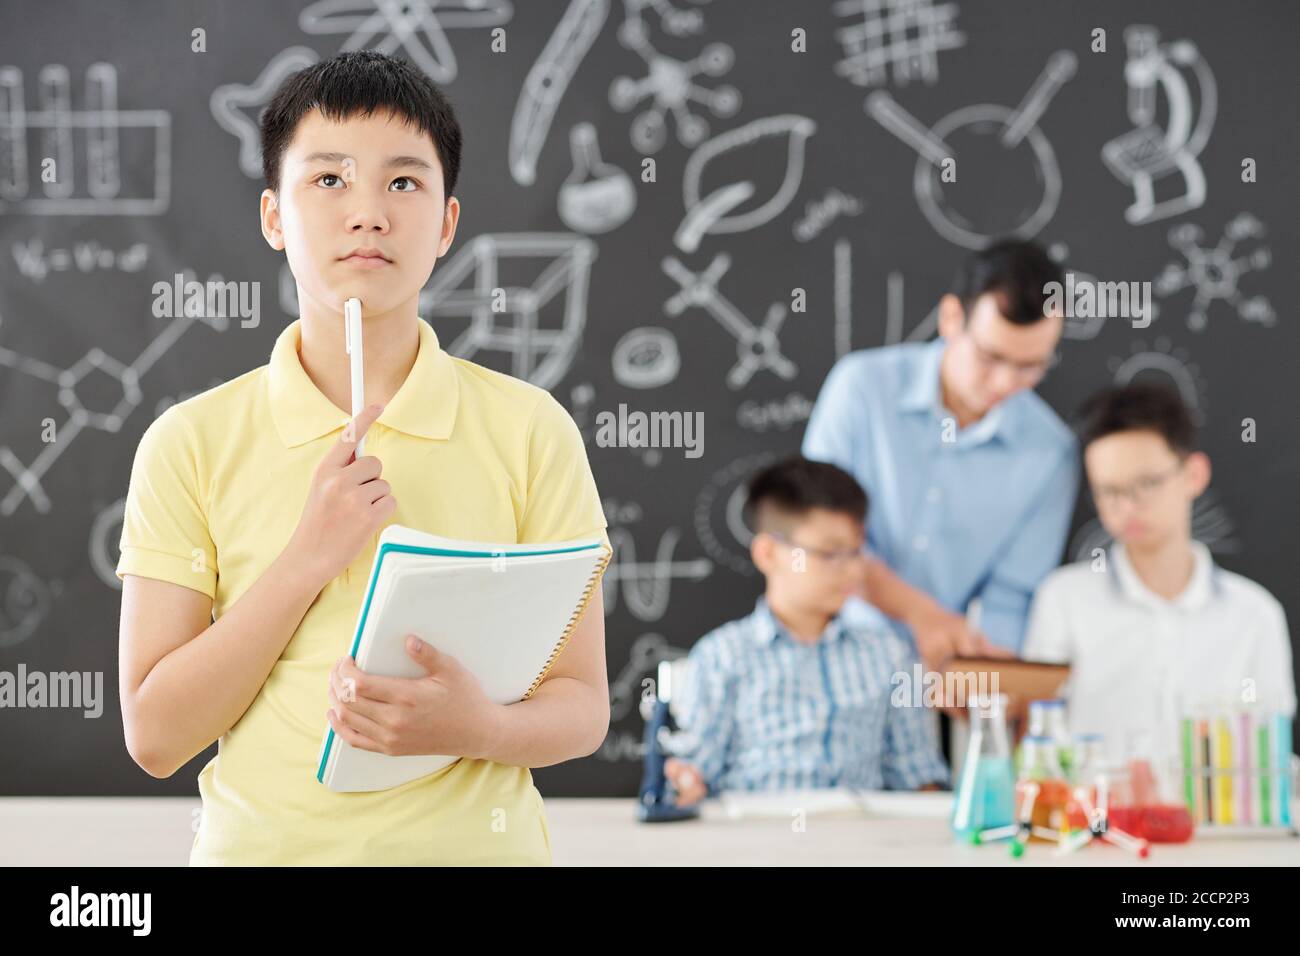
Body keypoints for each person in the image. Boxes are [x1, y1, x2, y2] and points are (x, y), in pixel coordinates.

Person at [116, 51, 610, 865]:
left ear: (447, 224)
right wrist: (307, 559)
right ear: (274, 217)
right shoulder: (190, 442)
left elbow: (584, 704)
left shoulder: (530, 430)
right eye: (330, 180)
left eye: (404, 183)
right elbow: (157, 736)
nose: (368, 214)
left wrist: (479, 728)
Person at [802, 239, 1078, 666]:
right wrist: (923, 617)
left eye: (1030, 366)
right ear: (952, 318)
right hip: (825, 658)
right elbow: (818, 536)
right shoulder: (861, 390)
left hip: (950, 681)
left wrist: (981, 670)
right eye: (990, 357)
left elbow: (1012, 598)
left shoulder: (1050, 454)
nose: (1005, 383)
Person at [1023, 383, 1296, 762]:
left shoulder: (1254, 616)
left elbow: (1270, 752)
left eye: (1147, 484)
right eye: (1109, 492)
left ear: (1193, 474)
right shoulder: (1064, 600)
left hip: (1217, 820)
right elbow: (1041, 737)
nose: (1128, 507)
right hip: (1098, 819)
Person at [665, 456, 948, 806]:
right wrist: (685, 781)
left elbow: (918, 778)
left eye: (856, 552)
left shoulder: (890, 656)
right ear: (768, 554)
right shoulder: (723, 655)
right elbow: (695, 771)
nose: (852, 573)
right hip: (754, 846)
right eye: (829, 554)